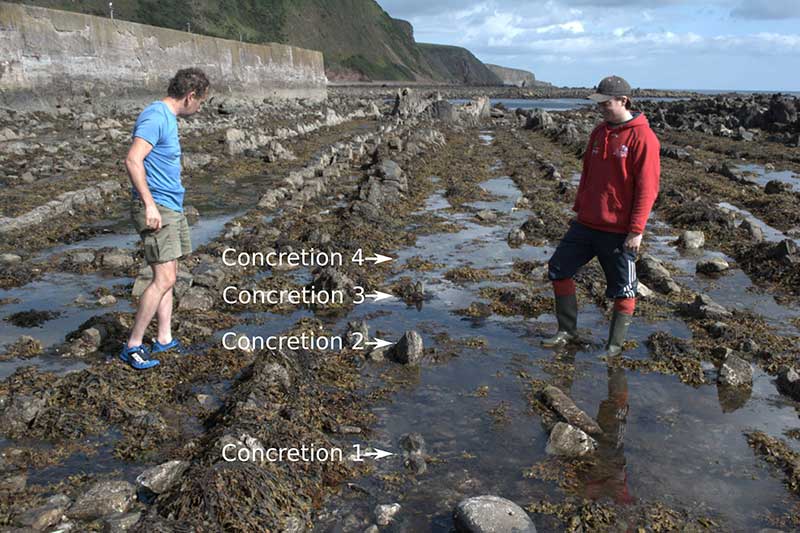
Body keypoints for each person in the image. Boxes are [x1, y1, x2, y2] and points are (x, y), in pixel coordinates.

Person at [542, 75, 660, 357]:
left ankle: (613, 347)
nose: (601, 108)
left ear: (623, 101)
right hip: (586, 224)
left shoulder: (643, 138)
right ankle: (567, 331)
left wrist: (636, 230)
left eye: (606, 103)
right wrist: (579, 209)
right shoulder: (598, 133)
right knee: (558, 269)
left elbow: (648, 188)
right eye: (599, 103)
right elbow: (588, 176)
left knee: (623, 290)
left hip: (619, 230)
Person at [120, 68, 209, 370]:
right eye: (201, 101)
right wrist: (149, 205)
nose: (200, 108)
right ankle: (133, 345)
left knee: (169, 275)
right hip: (158, 207)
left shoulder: (166, 118)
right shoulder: (156, 116)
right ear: (190, 96)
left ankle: (164, 338)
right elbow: (132, 159)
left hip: (170, 206)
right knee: (164, 278)